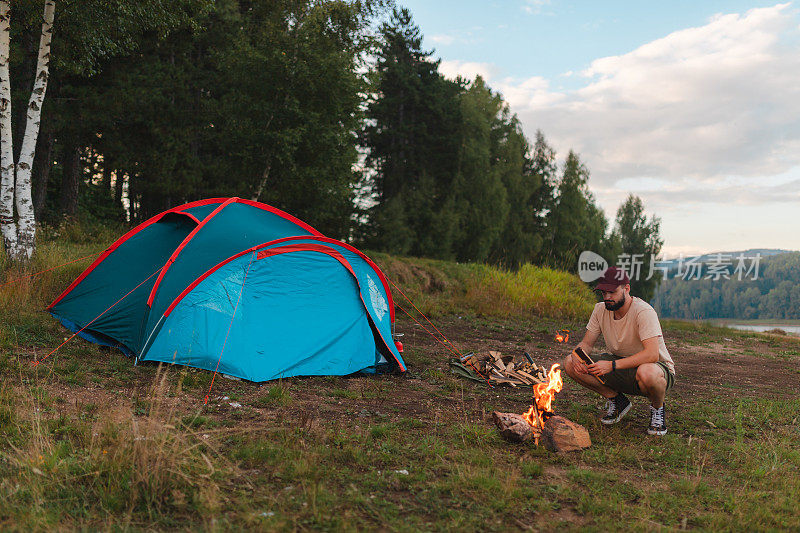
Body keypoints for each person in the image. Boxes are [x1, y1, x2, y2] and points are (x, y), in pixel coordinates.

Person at [563, 266, 676, 435]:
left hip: (654, 368)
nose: (607, 297)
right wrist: (577, 356)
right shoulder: (600, 309)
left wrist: (611, 366)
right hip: (619, 366)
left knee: (647, 372)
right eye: (603, 293)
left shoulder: (643, 311)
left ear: (626, 288)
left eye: (612, 292)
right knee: (569, 362)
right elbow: (586, 344)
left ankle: (657, 409)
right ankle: (617, 401)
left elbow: (652, 354)